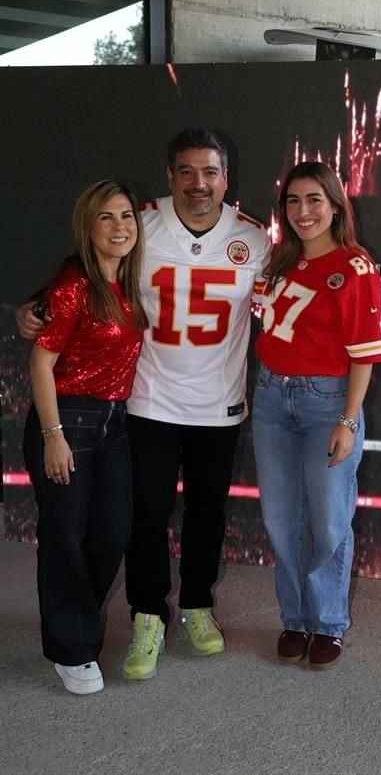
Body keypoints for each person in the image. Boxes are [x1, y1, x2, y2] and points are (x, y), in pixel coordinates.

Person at [18, 129, 271, 681]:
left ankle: (198, 605)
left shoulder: (255, 239)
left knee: (207, 513)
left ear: (227, 178)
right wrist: (37, 307)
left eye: (209, 172)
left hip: (219, 403)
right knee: (145, 517)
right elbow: (88, 261)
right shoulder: (142, 221)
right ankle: (148, 614)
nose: (198, 183)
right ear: (170, 177)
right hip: (148, 400)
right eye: (186, 171)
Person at [252, 161, 381, 670]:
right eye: (293, 201)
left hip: (325, 402)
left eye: (313, 200)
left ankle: (327, 623)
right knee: (281, 518)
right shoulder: (279, 263)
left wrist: (349, 420)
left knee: (329, 519)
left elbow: (364, 355)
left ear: (334, 206)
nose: (303, 212)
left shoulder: (354, 267)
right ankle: (295, 618)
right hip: (269, 400)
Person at [22, 179, 147, 695]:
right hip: (67, 419)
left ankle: (72, 616)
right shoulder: (76, 281)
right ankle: (71, 647)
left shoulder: (127, 278)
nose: (120, 227)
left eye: (126, 216)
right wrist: (53, 436)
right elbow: (41, 361)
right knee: (64, 537)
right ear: (87, 226)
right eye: (106, 217)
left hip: (114, 423)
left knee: (113, 532)